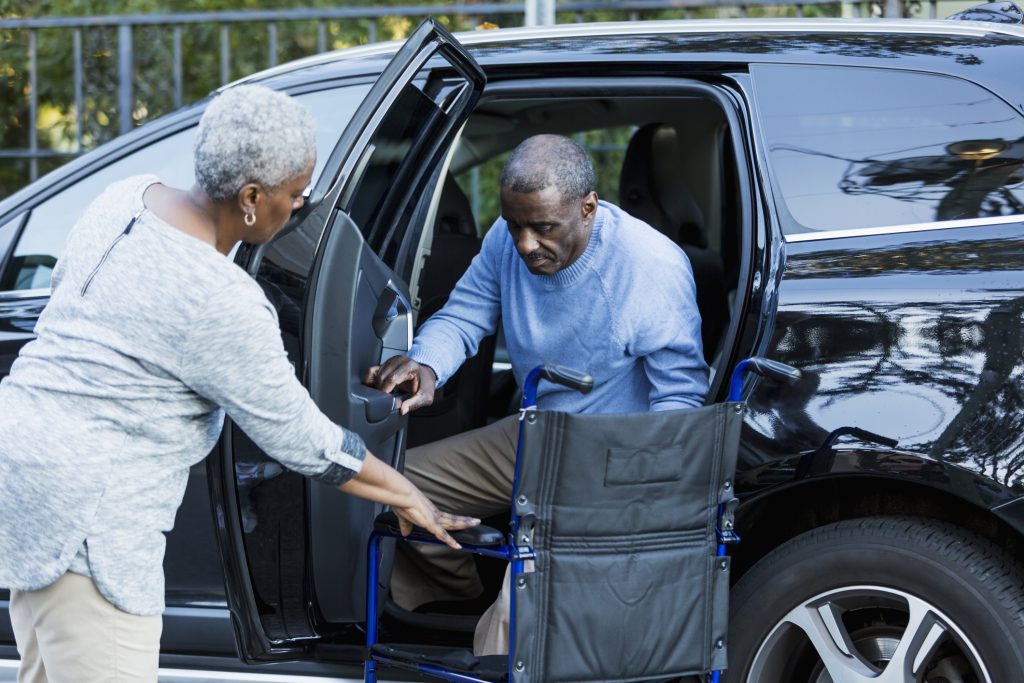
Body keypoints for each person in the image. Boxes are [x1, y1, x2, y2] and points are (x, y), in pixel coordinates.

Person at [0, 85, 477, 683]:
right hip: (91, 522)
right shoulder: (220, 300)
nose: (300, 208)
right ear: (251, 197)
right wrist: (408, 495)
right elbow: (304, 441)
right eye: (296, 195)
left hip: (22, 480)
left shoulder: (122, 198)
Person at [364, 134, 709, 655]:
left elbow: (681, 400)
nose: (525, 244)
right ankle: (452, 603)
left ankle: (496, 635)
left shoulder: (648, 267)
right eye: (515, 224)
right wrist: (427, 363)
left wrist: (637, 502)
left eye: (543, 227)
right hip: (538, 430)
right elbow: (466, 313)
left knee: (517, 619)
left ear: (588, 207)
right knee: (393, 484)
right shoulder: (508, 241)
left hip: (613, 457)